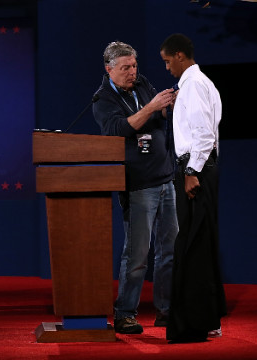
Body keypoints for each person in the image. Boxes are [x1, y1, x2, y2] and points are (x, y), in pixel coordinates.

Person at [92, 41, 178, 334]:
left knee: (169, 251)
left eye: (134, 66)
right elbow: (119, 129)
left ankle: (166, 311)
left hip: (165, 178)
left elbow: (158, 116)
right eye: (126, 68)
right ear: (109, 69)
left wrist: (167, 107)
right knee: (138, 255)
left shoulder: (141, 84)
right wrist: (153, 106)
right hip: (138, 184)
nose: (132, 72)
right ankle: (125, 313)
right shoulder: (103, 99)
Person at [160, 33, 226, 343]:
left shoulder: (195, 85)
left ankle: (195, 322)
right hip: (198, 169)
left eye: (168, 60)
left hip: (195, 170)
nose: (167, 67)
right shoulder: (192, 86)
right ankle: (206, 318)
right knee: (199, 243)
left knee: (192, 245)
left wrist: (190, 171)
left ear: (181, 56)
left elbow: (203, 136)